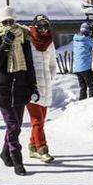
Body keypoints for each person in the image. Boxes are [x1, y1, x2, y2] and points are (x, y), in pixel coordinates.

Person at [0, 6, 37, 176]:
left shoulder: (23, 39)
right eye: (5, 21)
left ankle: (5, 152)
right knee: (13, 126)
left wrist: (33, 86)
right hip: (3, 88)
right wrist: (5, 44)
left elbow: (29, 65)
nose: (9, 24)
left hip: (21, 87)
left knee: (17, 125)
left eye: (11, 21)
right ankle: (17, 160)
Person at [27, 14, 59, 164]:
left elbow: (53, 62)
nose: (44, 29)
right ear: (34, 26)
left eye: (46, 26)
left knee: (41, 121)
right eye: (40, 26)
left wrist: (51, 75)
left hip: (45, 86)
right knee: (37, 120)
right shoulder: (28, 41)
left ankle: (32, 147)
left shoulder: (49, 42)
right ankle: (42, 149)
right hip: (31, 86)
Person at [72, 22, 93, 100]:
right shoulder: (86, 40)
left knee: (83, 87)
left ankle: (82, 103)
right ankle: (92, 103)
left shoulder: (76, 39)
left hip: (77, 68)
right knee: (91, 86)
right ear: (88, 31)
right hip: (85, 67)